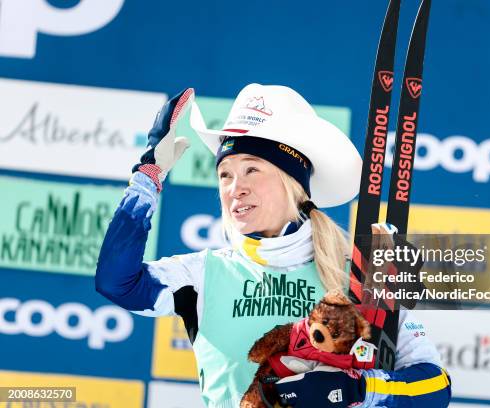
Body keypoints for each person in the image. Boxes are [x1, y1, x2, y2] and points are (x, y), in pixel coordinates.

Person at [95, 84, 452, 407]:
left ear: (291, 183)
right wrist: (147, 179)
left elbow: (435, 386)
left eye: (252, 170)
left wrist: (363, 389)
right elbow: (117, 282)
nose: (236, 187)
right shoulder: (204, 274)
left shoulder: (357, 274)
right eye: (225, 174)